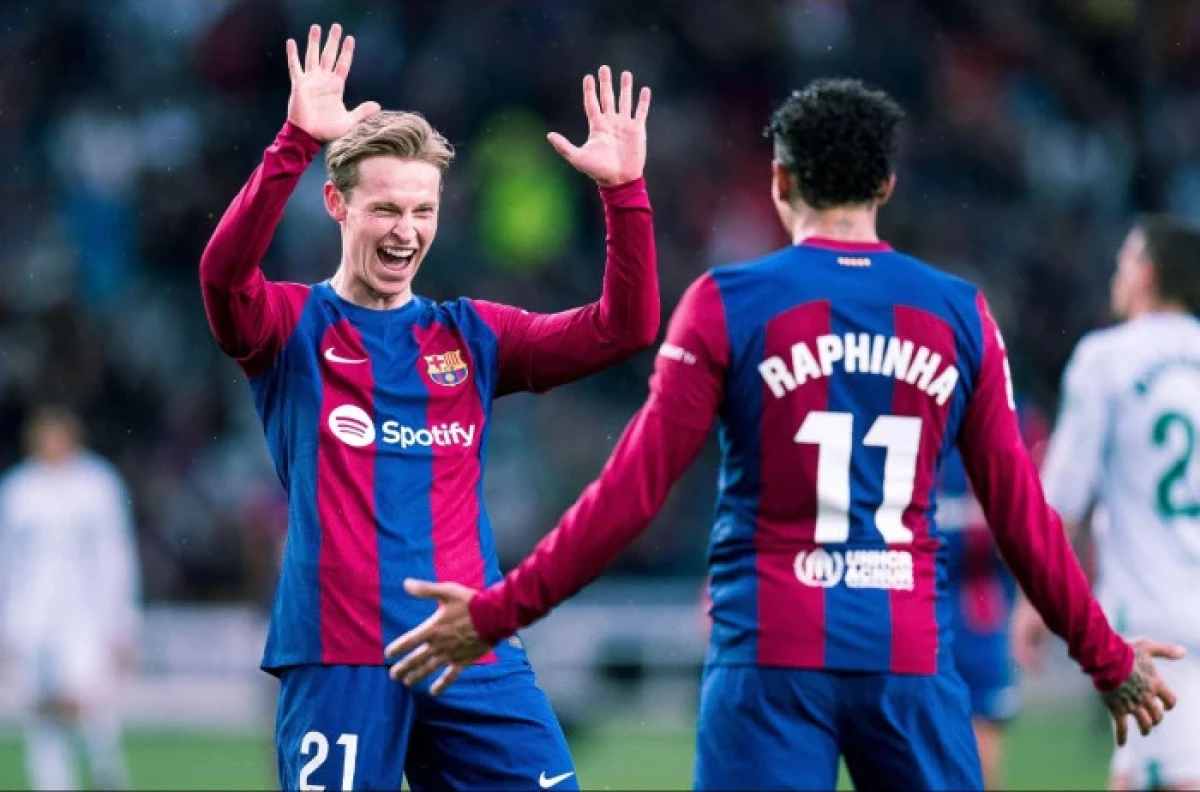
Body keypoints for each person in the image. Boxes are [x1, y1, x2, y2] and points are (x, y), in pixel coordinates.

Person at [386, 78, 1183, 791]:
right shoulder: (958, 314)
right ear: (887, 184)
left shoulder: (727, 302)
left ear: (779, 181)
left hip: (769, 656)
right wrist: (1106, 660)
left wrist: (500, 611)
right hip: (907, 656)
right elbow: (1022, 514)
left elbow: (631, 491)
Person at [198, 23, 657, 791]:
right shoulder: (289, 328)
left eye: (423, 210)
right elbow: (221, 277)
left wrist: (624, 194)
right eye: (385, 209)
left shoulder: (472, 336)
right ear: (336, 205)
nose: (406, 231)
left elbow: (625, 327)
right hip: (340, 647)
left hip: (466, 641)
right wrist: (293, 142)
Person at [1013, 217, 1200, 791]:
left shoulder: (1107, 359)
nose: (1117, 275)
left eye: (1123, 263)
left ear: (1145, 274)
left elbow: (1063, 498)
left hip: (1152, 613)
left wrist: (1033, 600)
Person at [0, 407, 140, 790]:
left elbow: (116, 556)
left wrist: (122, 622)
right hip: (31, 614)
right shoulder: (19, 489)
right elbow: (6, 560)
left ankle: (107, 776)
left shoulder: (97, 484)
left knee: (89, 705)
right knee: (40, 708)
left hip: (85, 613)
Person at [936, 402, 1046, 789]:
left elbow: (1036, 522)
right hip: (912, 605)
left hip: (980, 613)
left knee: (979, 757)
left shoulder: (1009, 417)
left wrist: (1032, 602)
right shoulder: (902, 395)